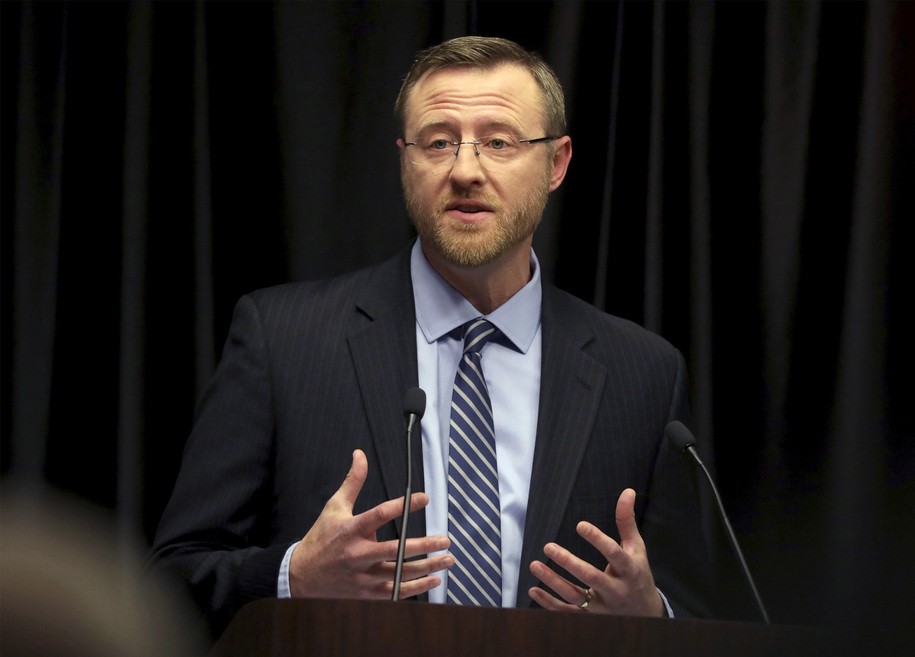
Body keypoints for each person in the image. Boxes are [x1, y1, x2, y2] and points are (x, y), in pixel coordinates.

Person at [148, 35, 714, 640]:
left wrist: (652, 618)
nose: (466, 171)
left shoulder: (644, 372)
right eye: (438, 142)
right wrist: (292, 578)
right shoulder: (282, 340)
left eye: (499, 142)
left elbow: (700, 611)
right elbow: (173, 582)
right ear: (404, 159)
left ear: (556, 163)